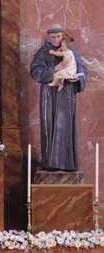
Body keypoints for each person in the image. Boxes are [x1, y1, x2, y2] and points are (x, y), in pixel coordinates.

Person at [30, 27, 87, 172]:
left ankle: (68, 163)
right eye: (53, 37)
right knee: (49, 125)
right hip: (49, 94)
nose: (56, 39)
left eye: (59, 36)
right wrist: (55, 69)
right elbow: (35, 71)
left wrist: (77, 79)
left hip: (66, 92)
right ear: (49, 37)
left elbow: (82, 69)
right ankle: (50, 162)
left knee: (65, 126)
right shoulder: (44, 52)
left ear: (63, 36)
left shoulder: (71, 50)